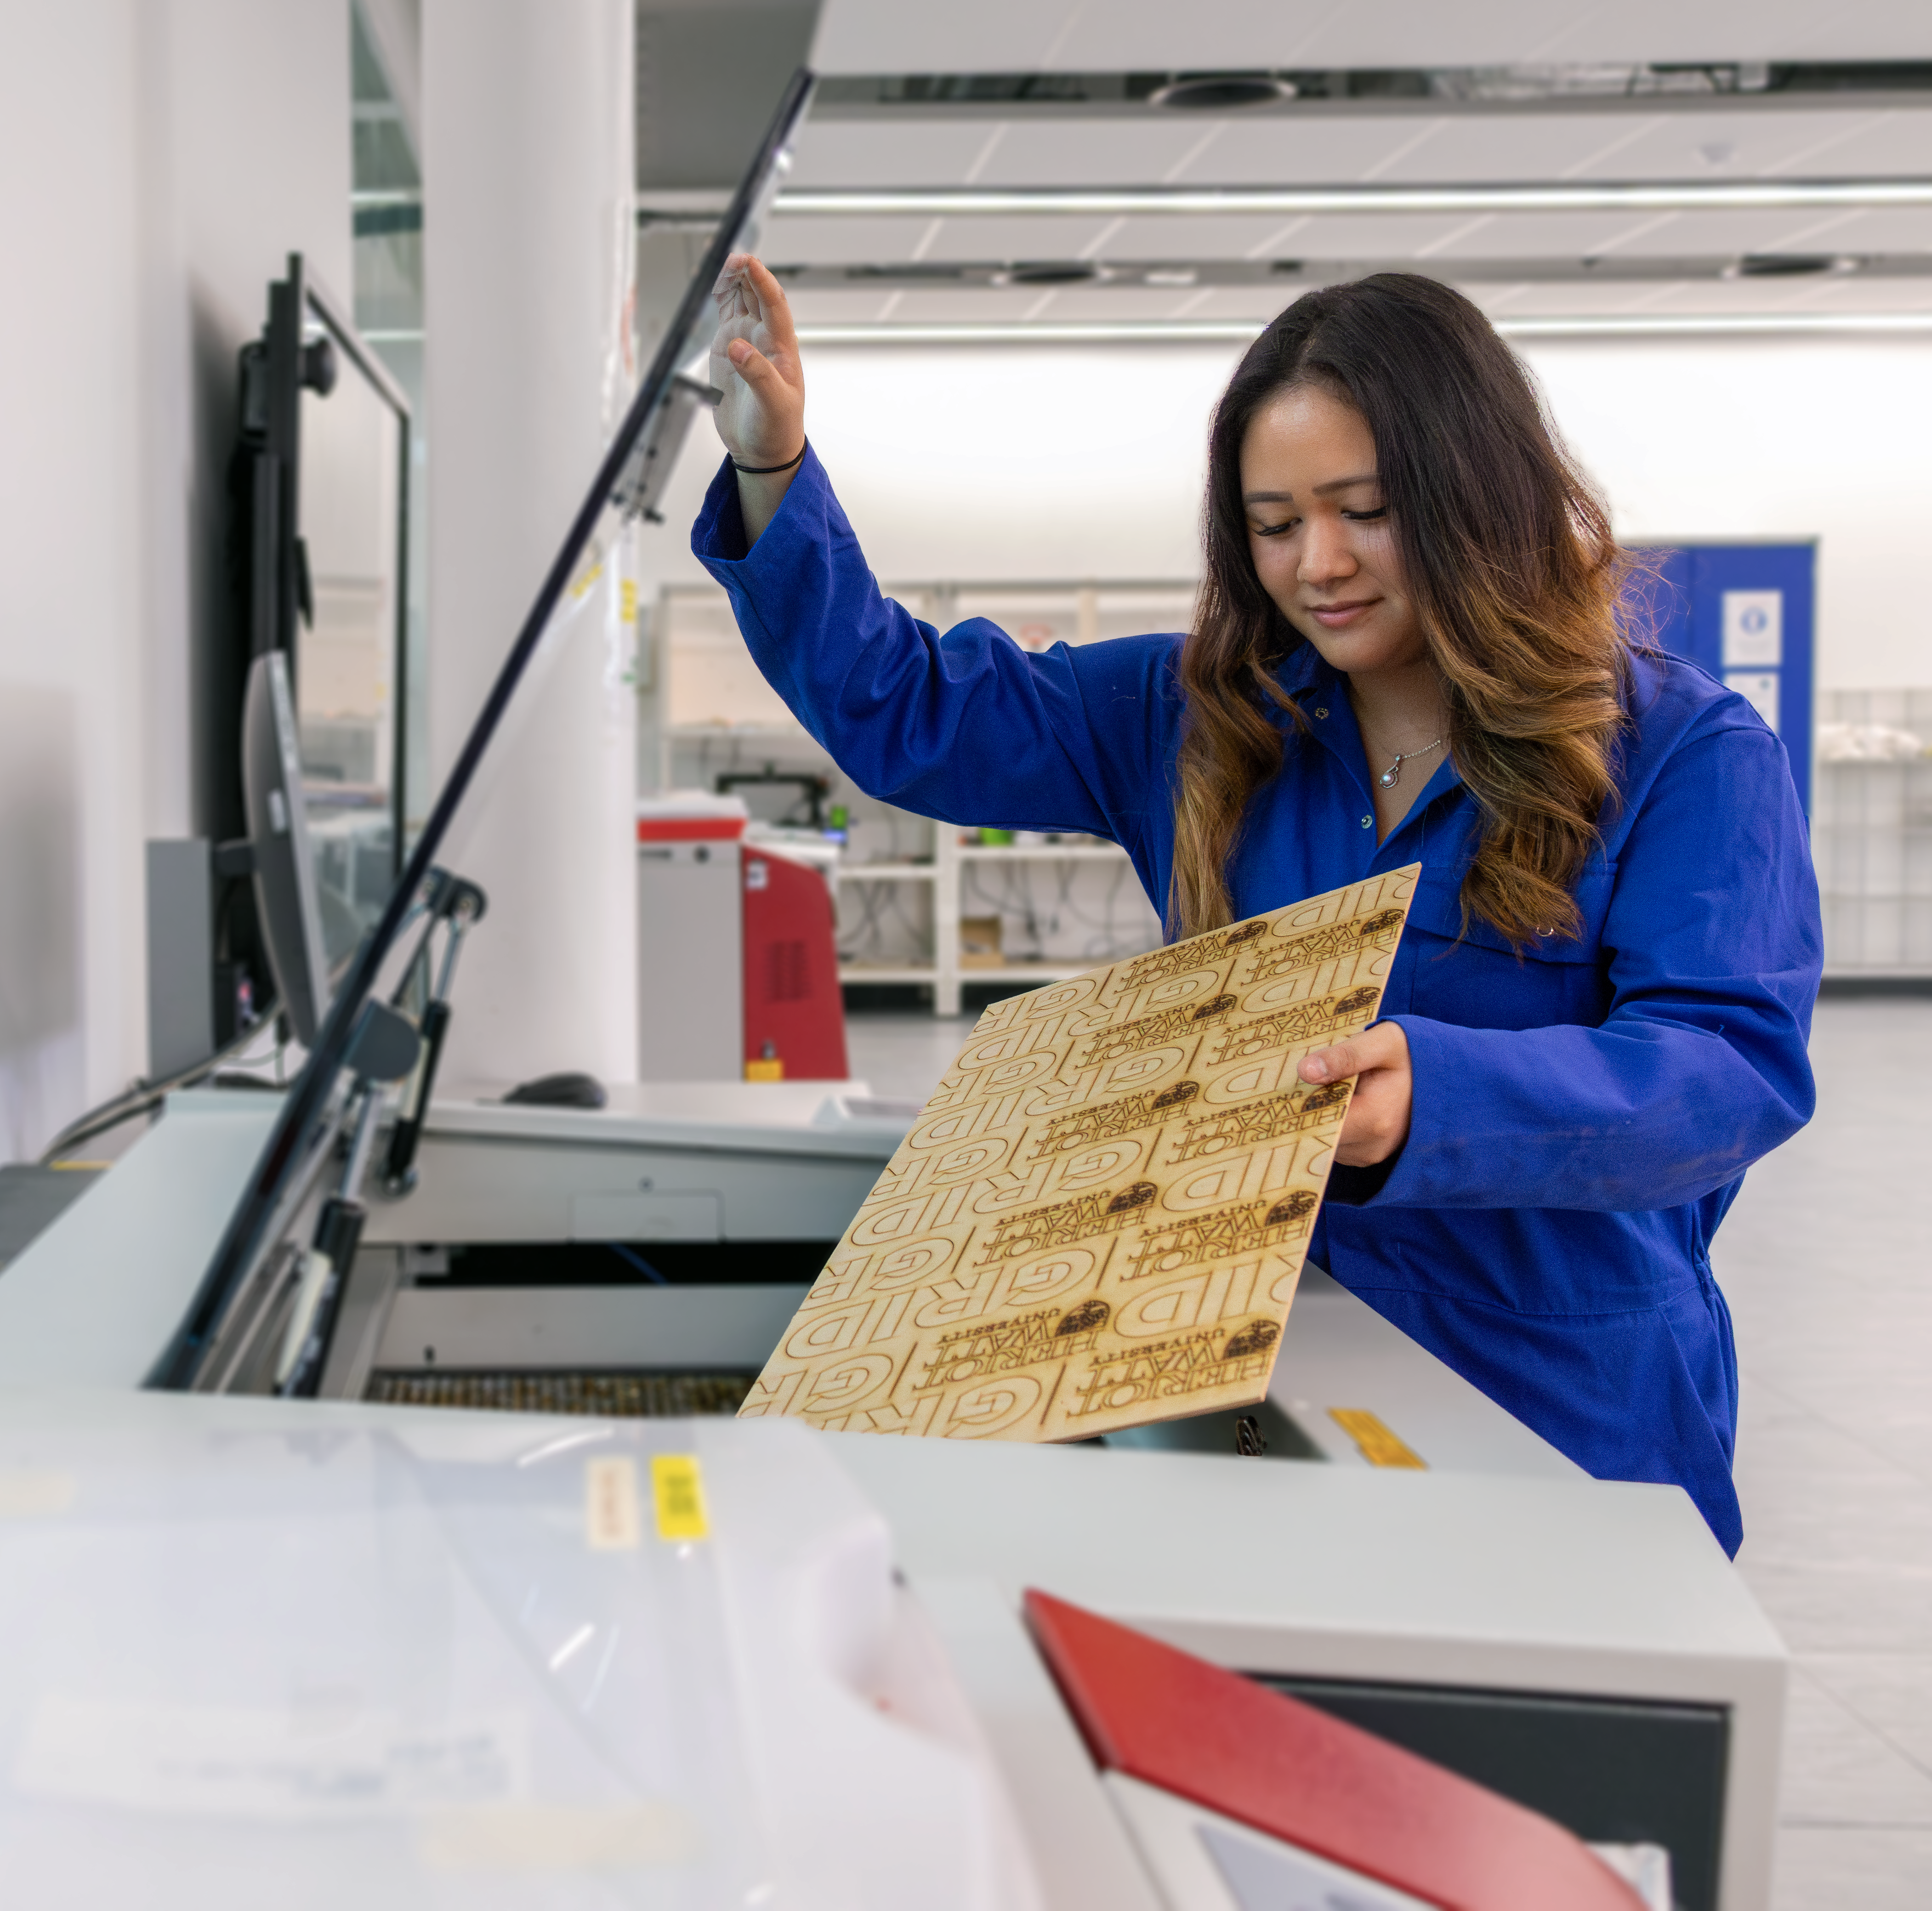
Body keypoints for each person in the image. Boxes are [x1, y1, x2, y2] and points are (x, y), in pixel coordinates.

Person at [693, 260, 1819, 1554]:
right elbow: (912, 711)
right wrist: (774, 474)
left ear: (1478, 498)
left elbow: (1726, 1072)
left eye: (1367, 510)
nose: (1319, 564)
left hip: (1555, 1404)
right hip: (1249, 1384)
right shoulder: (1202, 719)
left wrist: (1434, 1099)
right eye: (1275, 524)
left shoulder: (1684, 751)